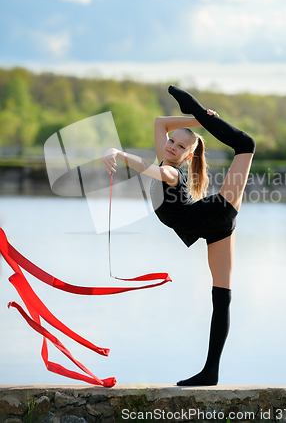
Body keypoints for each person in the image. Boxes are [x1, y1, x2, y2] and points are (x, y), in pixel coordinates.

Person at [102, 85, 255, 386]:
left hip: (213, 214)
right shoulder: (168, 155)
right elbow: (161, 122)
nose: (171, 146)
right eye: (172, 142)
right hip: (213, 225)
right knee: (221, 296)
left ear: (188, 156)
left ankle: (195, 106)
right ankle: (211, 372)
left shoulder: (172, 171)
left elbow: (151, 170)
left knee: (246, 144)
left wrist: (118, 152)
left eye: (180, 147)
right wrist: (198, 121)